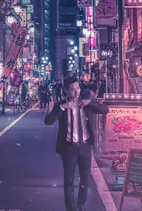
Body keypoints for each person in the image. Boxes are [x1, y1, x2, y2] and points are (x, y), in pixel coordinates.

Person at [44, 76, 108, 211]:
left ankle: (81, 204)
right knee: (69, 181)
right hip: (68, 148)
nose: (76, 92)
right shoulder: (61, 105)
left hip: (84, 146)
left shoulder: (84, 104)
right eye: (72, 90)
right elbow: (48, 121)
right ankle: (71, 208)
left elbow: (105, 110)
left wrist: (90, 102)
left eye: (78, 88)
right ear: (66, 91)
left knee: (85, 179)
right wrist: (62, 107)